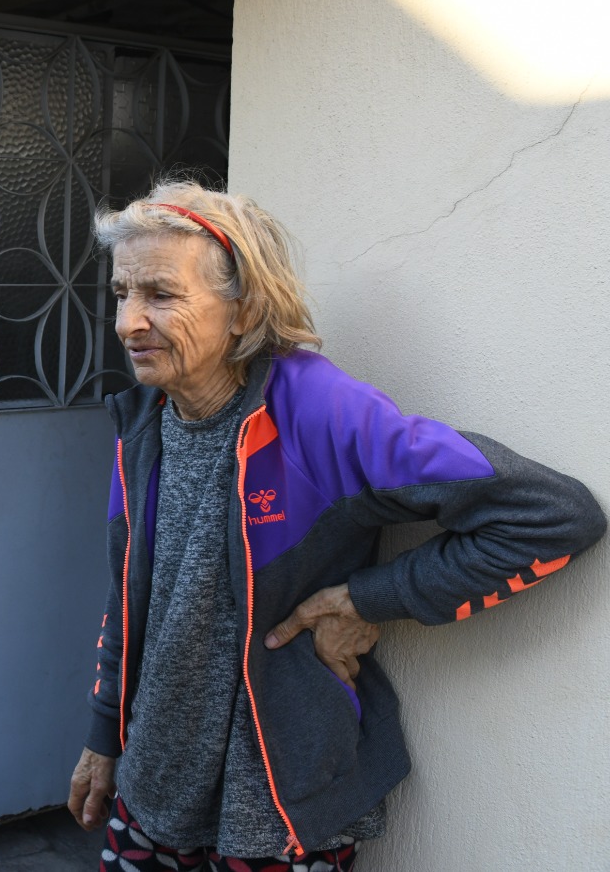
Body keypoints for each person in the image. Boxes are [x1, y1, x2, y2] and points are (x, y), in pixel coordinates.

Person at [66, 180, 604, 871]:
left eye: (161, 295)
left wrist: (368, 598)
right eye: (122, 294)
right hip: (156, 780)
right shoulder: (141, 424)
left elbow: (553, 515)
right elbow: (129, 597)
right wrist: (104, 736)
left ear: (244, 309)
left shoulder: (315, 411)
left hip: (279, 805)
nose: (128, 323)